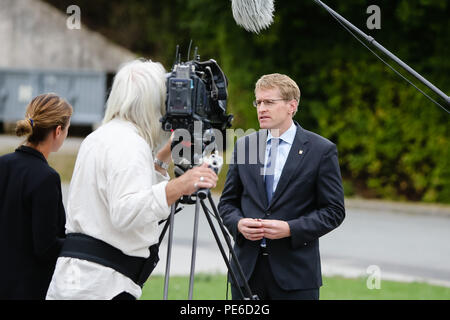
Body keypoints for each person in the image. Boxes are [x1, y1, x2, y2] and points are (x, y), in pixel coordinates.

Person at [46, 59, 218, 300]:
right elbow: (125, 211)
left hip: (80, 280)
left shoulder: (101, 137)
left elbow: (120, 196)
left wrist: (160, 159)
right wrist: (180, 185)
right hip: (102, 286)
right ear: (151, 103)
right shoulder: (129, 144)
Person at [218, 73, 345, 300]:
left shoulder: (321, 150)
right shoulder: (245, 145)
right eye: (258, 102)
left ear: (291, 106)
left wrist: (290, 229)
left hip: (296, 276)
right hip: (246, 273)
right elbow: (227, 203)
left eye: (269, 102)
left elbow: (334, 211)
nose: (261, 108)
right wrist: (238, 224)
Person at [0, 93, 73, 299]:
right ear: (58, 131)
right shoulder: (46, 178)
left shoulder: (2, 164)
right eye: (67, 129)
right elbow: (45, 246)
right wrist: (76, 242)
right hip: (27, 288)